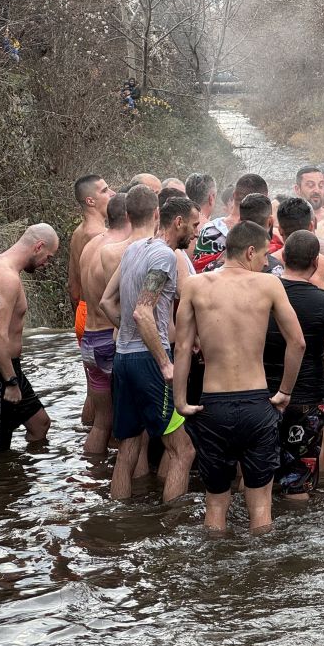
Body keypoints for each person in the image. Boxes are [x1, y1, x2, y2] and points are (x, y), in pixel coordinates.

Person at [174, 222, 306, 531]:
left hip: (213, 406)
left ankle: (213, 573)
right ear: (249, 251)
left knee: (215, 505)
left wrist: (180, 401)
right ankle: (262, 574)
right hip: (256, 403)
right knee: (261, 506)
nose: (264, 262)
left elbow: (182, 348)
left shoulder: (194, 285)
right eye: (263, 255)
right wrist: (285, 391)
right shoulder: (268, 285)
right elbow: (298, 342)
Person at [99, 197, 200, 502]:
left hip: (124, 358)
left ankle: (119, 520)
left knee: (128, 446)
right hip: (148, 363)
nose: (196, 233)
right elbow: (143, 312)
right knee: (183, 450)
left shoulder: (134, 249)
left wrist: (129, 336)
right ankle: (173, 534)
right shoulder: (164, 256)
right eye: (194, 225)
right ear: (178, 222)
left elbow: (107, 302)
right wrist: (164, 363)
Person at [263, 231, 324, 499]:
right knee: (298, 481)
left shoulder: (261, 294)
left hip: (262, 397)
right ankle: (296, 537)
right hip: (306, 402)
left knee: (255, 477)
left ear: (283, 257)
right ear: (316, 264)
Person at [0, 224, 58, 454]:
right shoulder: (6, 278)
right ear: (38, 246)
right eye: (48, 256)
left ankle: (20, 484)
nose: (47, 263)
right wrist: (10, 381)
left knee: (39, 424)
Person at [78, 194, 131, 454]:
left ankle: (93, 477)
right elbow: (115, 301)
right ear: (130, 216)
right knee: (128, 430)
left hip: (88, 339)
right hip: (108, 341)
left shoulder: (91, 245)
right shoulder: (116, 251)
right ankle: (124, 490)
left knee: (101, 423)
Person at [68, 175, 115, 425]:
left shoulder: (78, 232)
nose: (113, 193)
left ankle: (87, 437)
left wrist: (81, 317)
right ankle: (106, 453)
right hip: (99, 317)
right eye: (105, 190)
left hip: (83, 313)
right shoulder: (100, 236)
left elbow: (72, 287)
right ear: (90, 200)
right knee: (109, 400)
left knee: (93, 389)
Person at [193, 173, 268, 272]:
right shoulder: (261, 234)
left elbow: (198, 270)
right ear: (263, 201)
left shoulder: (209, 229)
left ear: (233, 195)